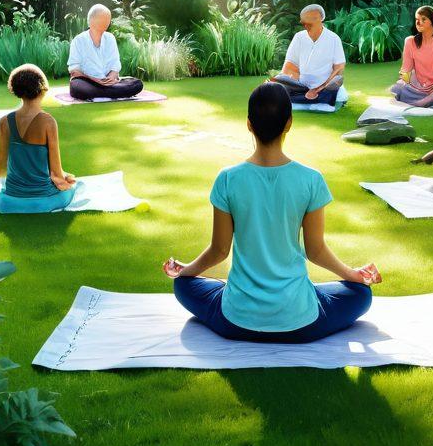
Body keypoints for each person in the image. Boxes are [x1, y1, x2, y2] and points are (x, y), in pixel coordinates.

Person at [162, 82, 381, 343]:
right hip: (299, 321)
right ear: (289, 123)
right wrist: (353, 275)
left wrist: (186, 271)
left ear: (249, 124)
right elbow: (316, 251)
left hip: (237, 320)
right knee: (361, 295)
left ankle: (235, 295)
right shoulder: (311, 179)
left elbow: (219, 251)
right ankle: (289, 300)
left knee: (183, 285)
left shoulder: (228, 179)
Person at [0, 64, 77, 214]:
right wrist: (67, 181)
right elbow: (56, 174)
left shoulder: (5, 121)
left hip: (10, 200)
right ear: (43, 88)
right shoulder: (48, 122)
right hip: (43, 199)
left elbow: (0, 164)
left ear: (16, 89)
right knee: (75, 185)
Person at [271, 5, 346, 106]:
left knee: (333, 87)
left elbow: (338, 69)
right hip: (300, 85)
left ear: (319, 19)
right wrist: (285, 81)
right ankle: (306, 98)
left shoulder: (334, 39)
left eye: (309, 21)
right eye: (304, 22)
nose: (306, 25)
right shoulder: (299, 37)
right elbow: (290, 65)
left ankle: (318, 98)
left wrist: (319, 88)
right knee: (276, 87)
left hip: (324, 86)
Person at [67, 4, 144, 101]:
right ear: (91, 20)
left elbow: (115, 64)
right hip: (88, 81)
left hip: (109, 82)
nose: (107, 22)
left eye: (108, 19)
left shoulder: (110, 38)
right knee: (77, 87)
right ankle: (113, 93)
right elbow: (74, 71)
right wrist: (95, 80)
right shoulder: (78, 40)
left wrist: (111, 77)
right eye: (103, 19)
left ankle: (102, 93)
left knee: (137, 84)